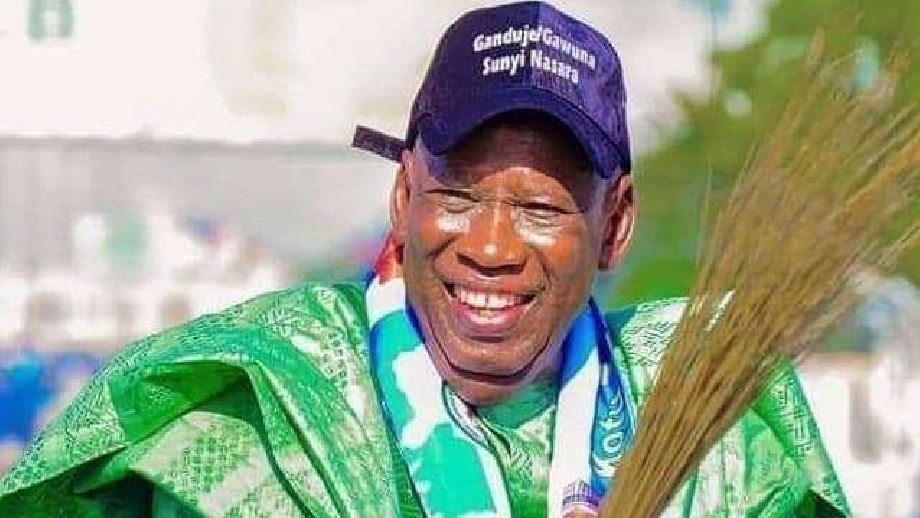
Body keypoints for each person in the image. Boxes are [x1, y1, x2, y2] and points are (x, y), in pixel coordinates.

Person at [0, 2, 850, 516]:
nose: (490, 248)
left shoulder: (716, 440)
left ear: (615, 225)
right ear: (404, 196)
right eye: (456, 196)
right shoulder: (253, 411)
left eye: (541, 209)